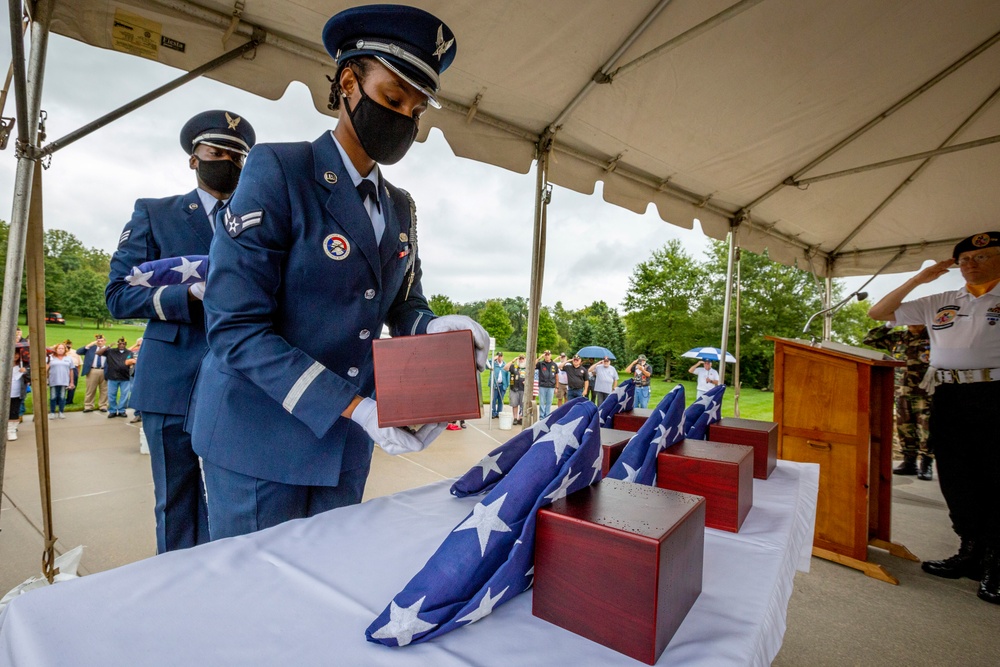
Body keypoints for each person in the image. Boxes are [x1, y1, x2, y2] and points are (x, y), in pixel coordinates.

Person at [188, 5, 487, 541]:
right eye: (393, 98)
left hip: (346, 445)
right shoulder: (280, 171)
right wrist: (356, 407)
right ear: (349, 81)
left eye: (416, 110)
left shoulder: (401, 206)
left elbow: (400, 304)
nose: (404, 120)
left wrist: (433, 329)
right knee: (256, 601)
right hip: (262, 438)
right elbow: (235, 328)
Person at [106, 109, 257, 553]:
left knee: (236, 501)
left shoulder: (255, 221)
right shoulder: (155, 213)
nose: (228, 161)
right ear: (194, 158)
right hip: (172, 380)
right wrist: (188, 296)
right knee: (176, 499)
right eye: (217, 151)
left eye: (237, 156)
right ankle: (175, 592)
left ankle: (220, 588)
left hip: (237, 380)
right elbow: (118, 295)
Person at [867, 231, 1000, 605]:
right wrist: (918, 279)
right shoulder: (942, 300)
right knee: (957, 475)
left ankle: (996, 560)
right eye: (964, 260)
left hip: (995, 393)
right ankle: (970, 548)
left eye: (982, 257)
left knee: (996, 476)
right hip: (949, 394)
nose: (970, 264)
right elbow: (878, 313)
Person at [863, 324, 933, 479]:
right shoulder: (897, 337)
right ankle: (909, 462)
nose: (912, 322)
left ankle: (926, 464)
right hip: (902, 391)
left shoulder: (935, 336)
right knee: (904, 428)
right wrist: (889, 325)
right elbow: (869, 339)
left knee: (927, 429)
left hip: (925, 392)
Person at [99, 337, 134, 418]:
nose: (122, 345)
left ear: (125, 344)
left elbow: (131, 362)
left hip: (125, 377)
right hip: (112, 377)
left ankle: (122, 410)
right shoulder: (111, 351)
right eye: (120, 343)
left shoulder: (129, 353)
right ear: (117, 344)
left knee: (124, 395)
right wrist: (108, 347)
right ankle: (113, 410)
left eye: (123, 344)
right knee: (111, 395)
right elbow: (98, 353)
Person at [77, 335, 108, 413]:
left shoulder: (108, 349)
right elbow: (78, 352)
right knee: (90, 389)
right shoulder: (91, 349)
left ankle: (103, 405)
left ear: (105, 341)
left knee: (104, 390)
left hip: (104, 370)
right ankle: (88, 406)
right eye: (98, 341)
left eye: (102, 341)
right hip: (92, 370)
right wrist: (89, 345)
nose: (100, 342)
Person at [47, 343, 75, 419]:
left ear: (65, 350)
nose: (60, 350)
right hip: (53, 380)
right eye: (59, 348)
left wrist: (71, 382)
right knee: (53, 397)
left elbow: (71, 370)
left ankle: (61, 412)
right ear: (56, 350)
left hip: (64, 380)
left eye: (62, 348)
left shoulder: (68, 358)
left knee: (62, 396)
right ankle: (52, 412)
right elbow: (46, 369)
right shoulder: (51, 358)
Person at [8, 349, 26, 441]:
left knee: (14, 411)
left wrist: (25, 371)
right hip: (5, 394)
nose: (15, 356)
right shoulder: (4, 365)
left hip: (16, 393)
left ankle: (11, 430)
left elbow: (30, 377)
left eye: (17, 354)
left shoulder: (22, 365)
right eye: (13, 353)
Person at [535, 350, 558, 418]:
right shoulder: (541, 364)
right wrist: (539, 358)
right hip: (542, 385)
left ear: (550, 355)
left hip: (551, 386)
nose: (547, 356)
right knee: (541, 402)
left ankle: (547, 415)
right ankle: (542, 416)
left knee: (549, 402)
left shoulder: (554, 365)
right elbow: (533, 365)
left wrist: (556, 387)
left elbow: (557, 376)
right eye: (546, 355)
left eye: (548, 355)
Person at [506, 355, 526, 425]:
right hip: (514, 388)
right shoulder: (514, 367)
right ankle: (515, 418)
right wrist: (513, 360)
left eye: (522, 358)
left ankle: (521, 418)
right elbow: (505, 368)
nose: (521, 360)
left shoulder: (527, 368)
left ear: (525, 359)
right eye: (519, 359)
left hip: (523, 389)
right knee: (514, 404)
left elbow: (531, 377)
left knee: (523, 404)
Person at [488, 352, 509, 418]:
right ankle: (493, 413)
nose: (500, 357)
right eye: (498, 356)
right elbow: (486, 365)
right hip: (494, 385)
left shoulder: (505, 365)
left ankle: (499, 412)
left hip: (502, 385)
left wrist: (506, 385)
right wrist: (494, 358)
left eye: (501, 356)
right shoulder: (493, 364)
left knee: (501, 400)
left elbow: (507, 376)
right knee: (494, 399)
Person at [127, 338, 142, 423]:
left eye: (141, 345)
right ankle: (137, 414)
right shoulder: (133, 352)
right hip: (133, 374)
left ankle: (142, 414)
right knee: (134, 393)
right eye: (138, 345)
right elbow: (126, 357)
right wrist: (132, 360)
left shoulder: (148, 352)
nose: (140, 346)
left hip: (144, 376)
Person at [63, 340, 81, 406]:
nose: (68, 346)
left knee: (72, 385)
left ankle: (69, 400)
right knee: (62, 385)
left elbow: (79, 364)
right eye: (66, 344)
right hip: (63, 368)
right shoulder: (61, 351)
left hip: (74, 368)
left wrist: (78, 373)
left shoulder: (75, 352)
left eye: (69, 344)